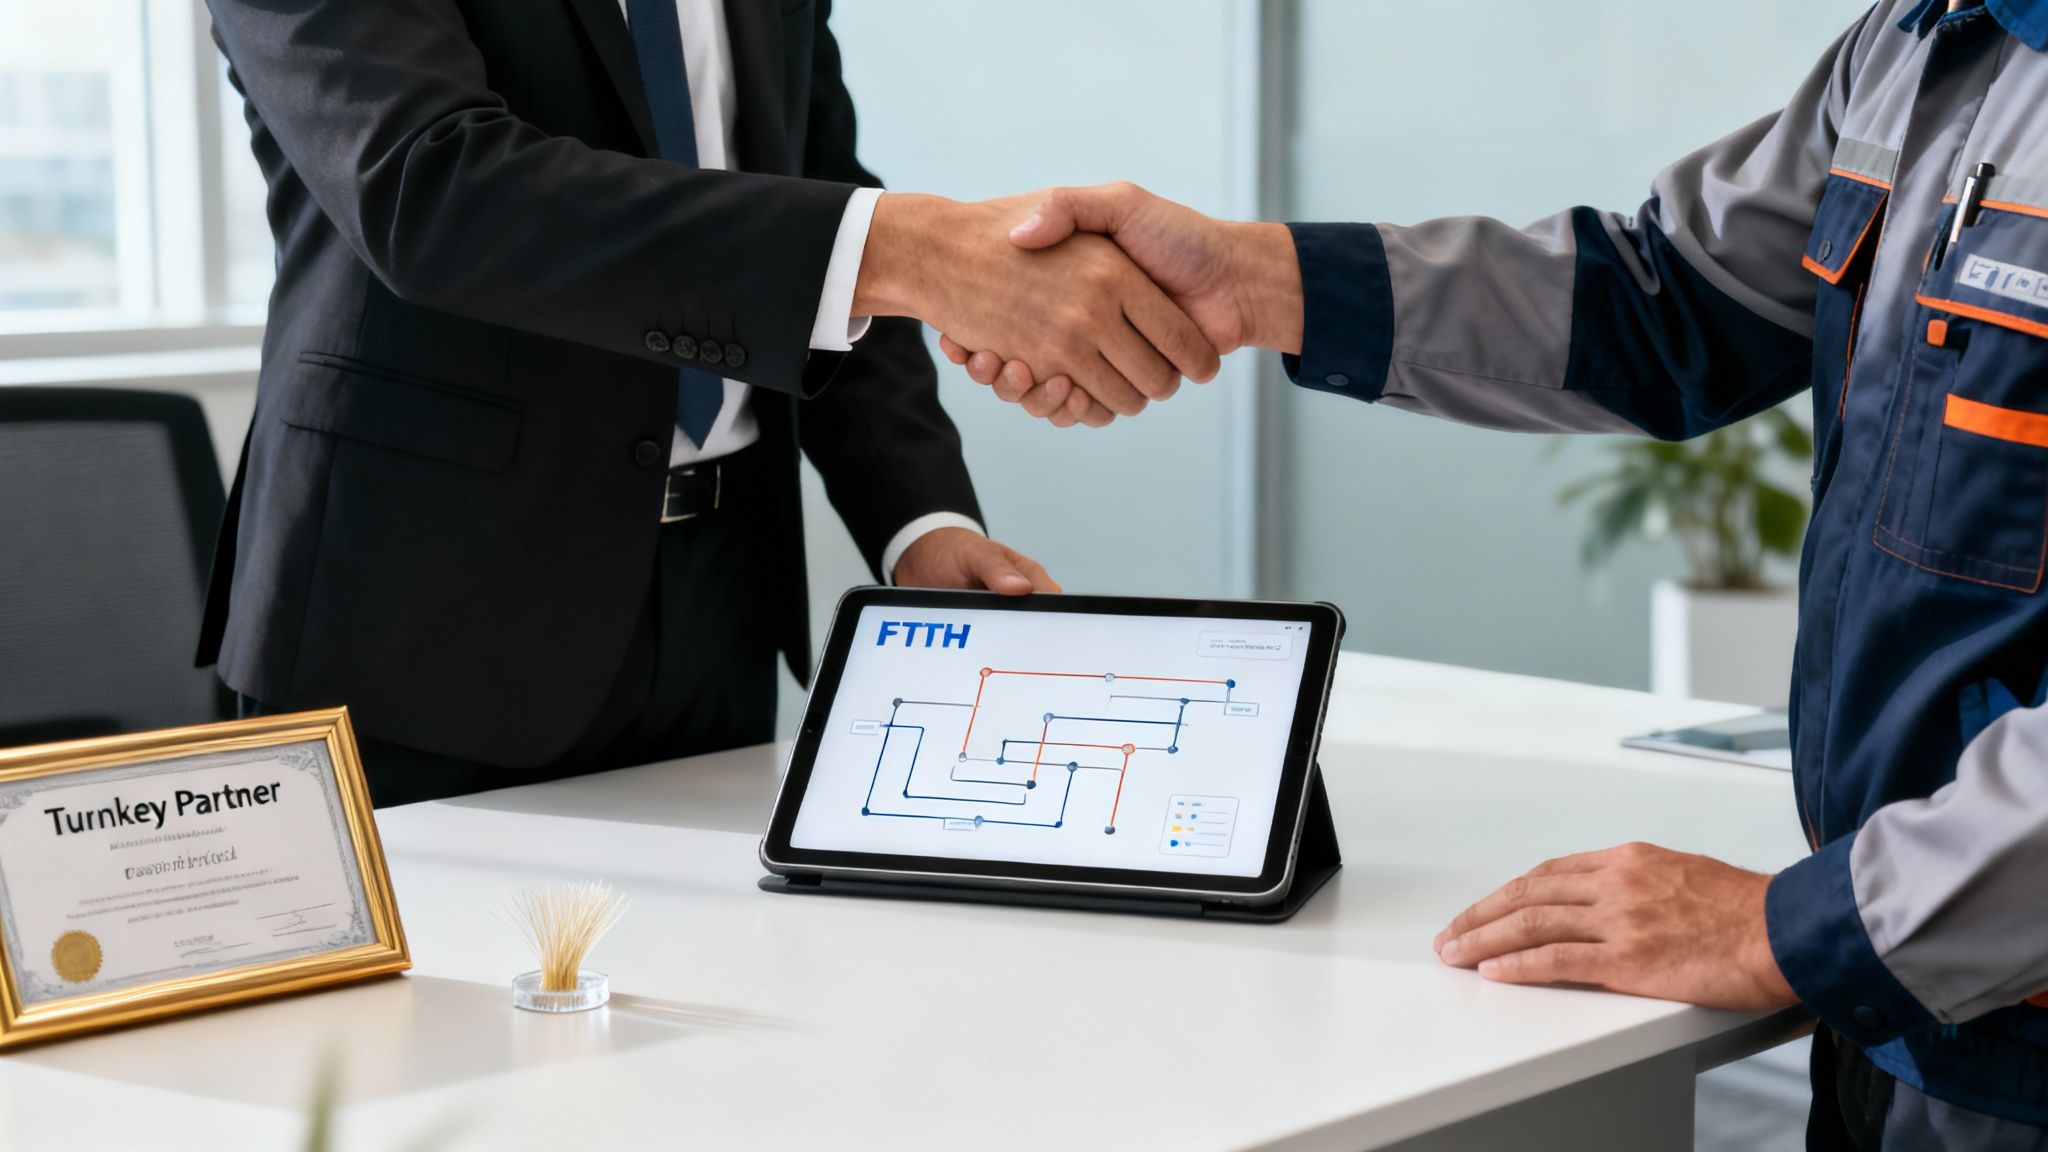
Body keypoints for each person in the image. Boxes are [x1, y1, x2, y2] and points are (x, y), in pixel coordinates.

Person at [943, 0, 2048, 1144]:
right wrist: (1256, 282)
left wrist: (1794, 928)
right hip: (1908, 1025)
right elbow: (1668, 300)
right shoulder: (1928, 40)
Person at [197, 0, 1220, 807]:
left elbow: (817, 202)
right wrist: (910, 249)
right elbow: (433, 191)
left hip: (720, 602)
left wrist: (917, 520)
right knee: (415, 1064)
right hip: (424, 620)